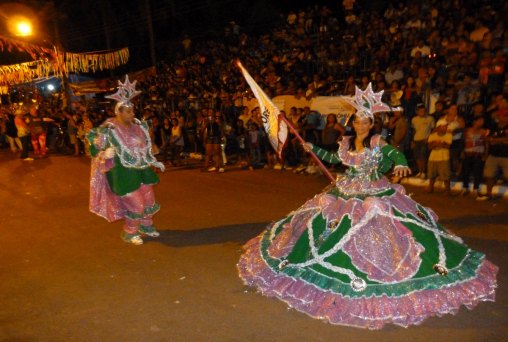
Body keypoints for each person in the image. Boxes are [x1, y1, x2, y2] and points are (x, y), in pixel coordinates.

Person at [238, 84, 497, 329]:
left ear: (372, 124)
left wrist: (400, 163)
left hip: (374, 191)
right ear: (353, 123)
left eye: (366, 121)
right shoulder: (347, 142)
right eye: (358, 121)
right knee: (322, 220)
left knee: (380, 219)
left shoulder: (376, 142)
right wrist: (312, 147)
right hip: (347, 190)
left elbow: (395, 154)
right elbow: (332, 158)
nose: (361, 124)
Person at [86, 76, 165, 245]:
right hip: (122, 173)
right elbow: (93, 148)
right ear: (118, 111)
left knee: (149, 200)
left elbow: (146, 144)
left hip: (142, 170)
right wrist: (103, 153)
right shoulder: (109, 128)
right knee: (136, 204)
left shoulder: (138, 127)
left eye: (133, 110)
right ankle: (130, 232)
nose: (132, 113)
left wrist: (153, 149)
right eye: (128, 111)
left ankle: (146, 226)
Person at [427, 121, 453, 194]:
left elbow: (448, 146)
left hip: (444, 157)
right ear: (438, 127)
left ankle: (447, 190)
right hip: (433, 158)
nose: (445, 127)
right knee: (431, 174)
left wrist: (435, 144)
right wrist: (441, 144)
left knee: (446, 175)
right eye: (443, 126)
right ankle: (431, 188)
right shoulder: (432, 135)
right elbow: (429, 147)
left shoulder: (449, 135)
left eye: (445, 126)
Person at [411, 103, 435, 178]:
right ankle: (420, 171)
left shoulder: (430, 119)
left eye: (423, 110)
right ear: (417, 111)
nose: (422, 112)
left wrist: (429, 138)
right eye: (420, 111)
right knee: (417, 156)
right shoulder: (414, 119)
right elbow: (413, 131)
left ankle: (424, 172)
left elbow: (433, 129)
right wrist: (412, 141)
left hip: (425, 140)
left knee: (423, 156)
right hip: (416, 139)